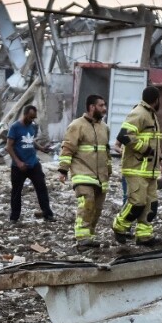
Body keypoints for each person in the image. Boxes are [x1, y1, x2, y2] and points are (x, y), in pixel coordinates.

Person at [111, 86, 162, 245]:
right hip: (136, 168)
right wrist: (144, 149)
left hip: (150, 170)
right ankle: (119, 226)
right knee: (137, 202)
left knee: (150, 206)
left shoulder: (152, 116)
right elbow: (124, 135)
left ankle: (144, 236)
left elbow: (156, 144)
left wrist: (161, 163)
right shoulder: (139, 113)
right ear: (156, 99)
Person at [57, 95, 112, 248]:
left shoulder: (104, 128)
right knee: (87, 203)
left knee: (97, 209)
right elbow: (68, 148)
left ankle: (90, 237)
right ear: (92, 107)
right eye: (101, 105)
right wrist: (63, 170)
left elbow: (106, 151)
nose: (104, 109)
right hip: (82, 173)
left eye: (105, 105)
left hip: (101, 177)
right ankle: (81, 238)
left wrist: (109, 170)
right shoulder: (77, 125)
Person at [6, 104, 55, 223]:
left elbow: (31, 140)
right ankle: (14, 217)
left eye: (34, 118)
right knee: (16, 192)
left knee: (41, 188)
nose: (32, 120)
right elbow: (8, 147)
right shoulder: (15, 127)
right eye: (30, 117)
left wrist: (42, 148)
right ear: (25, 114)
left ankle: (48, 214)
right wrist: (18, 162)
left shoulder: (32, 126)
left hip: (33, 164)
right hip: (19, 166)